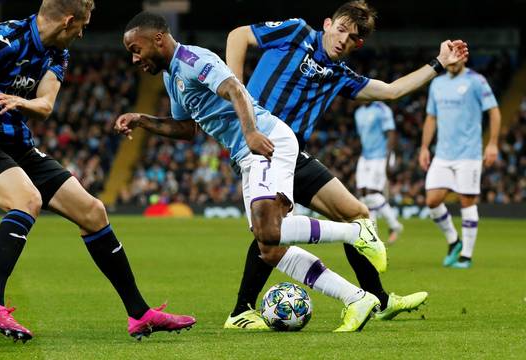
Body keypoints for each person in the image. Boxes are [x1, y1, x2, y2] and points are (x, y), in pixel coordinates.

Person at [0, 0, 194, 342]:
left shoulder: (57, 53)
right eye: (83, 25)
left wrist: (22, 102)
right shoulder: (1, 41)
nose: (82, 33)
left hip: (18, 145)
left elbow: (45, 105)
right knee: (27, 199)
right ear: (68, 20)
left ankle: (140, 314)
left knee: (93, 212)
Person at [117, 11, 388, 333]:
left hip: (266, 141)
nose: (134, 59)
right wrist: (142, 119)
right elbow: (187, 129)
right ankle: (356, 298)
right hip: (247, 152)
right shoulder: (170, 76)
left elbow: (234, 88)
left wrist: (250, 133)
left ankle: (357, 233)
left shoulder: (192, 59)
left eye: (136, 49)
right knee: (269, 248)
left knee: (270, 232)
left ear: (158, 39)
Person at [224, 0, 467, 327]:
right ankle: (241, 310)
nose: (343, 39)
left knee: (358, 215)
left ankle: (379, 301)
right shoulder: (295, 31)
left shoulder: (339, 75)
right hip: (261, 149)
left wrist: (438, 62)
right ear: (327, 23)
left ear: (359, 44)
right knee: (274, 231)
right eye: (340, 29)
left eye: (352, 38)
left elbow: (392, 91)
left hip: (293, 156)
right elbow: (238, 36)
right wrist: (237, 94)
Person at [420, 58, 500, 269]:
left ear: (464, 57)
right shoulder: (437, 83)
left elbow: (494, 111)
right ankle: (454, 241)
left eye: (458, 57)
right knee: (432, 201)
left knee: (467, 202)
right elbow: (431, 118)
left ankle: (466, 255)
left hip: (469, 154)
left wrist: (492, 144)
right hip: (443, 154)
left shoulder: (476, 80)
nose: (453, 62)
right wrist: (424, 147)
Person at [354, 101, 403, 243]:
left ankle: (395, 226)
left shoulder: (382, 109)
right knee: (363, 195)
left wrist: (388, 159)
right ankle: (373, 236)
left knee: (372, 193)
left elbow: (391, 133)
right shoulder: (358, 112)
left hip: (380, 156)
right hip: (365, 156)